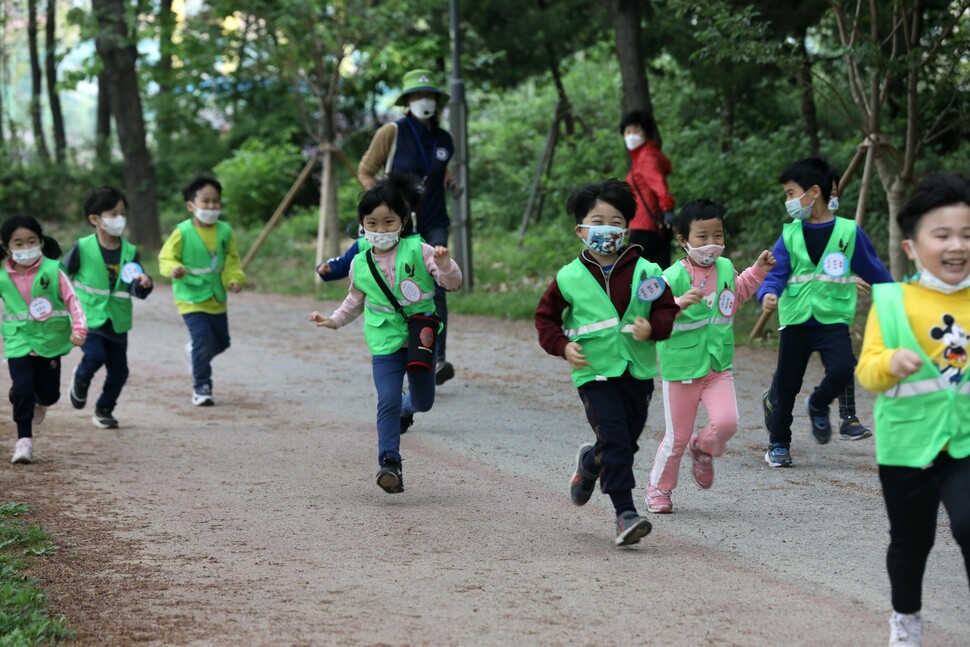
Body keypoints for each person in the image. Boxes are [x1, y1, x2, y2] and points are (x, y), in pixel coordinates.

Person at [855, 173, 970, 647]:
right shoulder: (892, 300)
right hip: (907, 446)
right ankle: (905, 623)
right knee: (911, 542)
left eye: (966, 235)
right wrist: (890, 363)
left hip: (964, 443)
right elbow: (867, 371)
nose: (957, 246)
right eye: (942, 235)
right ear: (911, 246)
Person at [535, 178, 679, 546]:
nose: (607, 230)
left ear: (627, 227)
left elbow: (666, 309)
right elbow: (546, 319)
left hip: (637, 370)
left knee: (624, 443)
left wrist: (655, 329)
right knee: (615, 439)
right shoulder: (568, 276)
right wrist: (563, 346)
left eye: (615, 221)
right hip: (593, 372)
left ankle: (589, 465)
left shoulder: (647, 270)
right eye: (598, 221)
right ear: (581, 229)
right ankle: (624, 514)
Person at [310, 173, 461, 494]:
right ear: (362, 224)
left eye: (389, 222)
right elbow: (354, 299)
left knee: (423, 401)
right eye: (373, 223)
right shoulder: (360, 260)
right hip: (384, 344)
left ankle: (410, 410)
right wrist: (333, 320)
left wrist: (446, 264)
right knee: (387, 400)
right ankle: (389, 462)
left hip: (420, 337)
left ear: (403, 222)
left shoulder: (419, 250)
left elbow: (452, 283)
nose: (381, 230)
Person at [757, 157, 893, 467]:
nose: (788, 201)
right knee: (787, 384)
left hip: (832, 318)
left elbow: (874, 270)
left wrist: (898, 297)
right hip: (795, 320)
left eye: (791, 193)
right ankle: (778, 443)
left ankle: (818, 404)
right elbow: (776, 274)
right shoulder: (789, 234)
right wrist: (767, 293)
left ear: (814, 192)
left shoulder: (848, 232)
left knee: (844, 369)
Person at [646, 200, 775, 513]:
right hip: (682, 367)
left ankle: (702, 448)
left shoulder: (726, 267)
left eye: (717, 236)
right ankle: (659, 489)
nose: (711, 244)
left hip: (718, 364)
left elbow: (737, 293)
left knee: (727, 422)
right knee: (677, 437)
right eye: (702, 237)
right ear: (683, 240)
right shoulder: (672, 275)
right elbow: (650, 309)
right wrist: (678, 302)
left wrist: (758, 271)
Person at [353, 68, 461, 387]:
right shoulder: (392, 132)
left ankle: (435, 357)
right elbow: (366, 171)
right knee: (401, 284)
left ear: (437, 102)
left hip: (435, 219)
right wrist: (382, 207)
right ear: (407, 101)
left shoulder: (444, 139)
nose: (423, 101)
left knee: (437, 283)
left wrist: (450, 182)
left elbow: (436, 170)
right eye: (417, 96)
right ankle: (399, 352)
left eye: (428, 96)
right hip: (400, 226)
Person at [64, 186, 153, 429]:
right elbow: (61, 276)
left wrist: (144, 283)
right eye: (113, 214)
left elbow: (134, 285)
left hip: (118, 320)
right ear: (95, 219)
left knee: (120, 371)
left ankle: (104, 409)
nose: (119, 219)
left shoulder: (130, 251)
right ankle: (80, 380)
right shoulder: (82, 247)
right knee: (94, 356)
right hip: (89, 317)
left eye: (122, 213)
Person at [0, 215, 86, 463]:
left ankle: (36, 399)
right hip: (19, 340)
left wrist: (79, 330)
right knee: (24, 387)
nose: (26, 248)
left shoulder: (52, 268)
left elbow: (73, 300)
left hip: (50, 341)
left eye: (31, 241)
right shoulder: (3, 276)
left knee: (50, 395)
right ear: (8, 247)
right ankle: (23, 441)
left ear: (40, 241)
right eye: (18, 243)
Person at [158, 175, 245, 406]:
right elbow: (166, 257)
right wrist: (173, 269)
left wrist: (234, 278)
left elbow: (231, 261)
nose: (211, 206)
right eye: (205, 201)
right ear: (191, 205)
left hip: (216, 296)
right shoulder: (182, 232)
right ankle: (202, 387)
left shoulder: (225, 231)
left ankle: (195, 353)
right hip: (190, 297)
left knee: (222, 342)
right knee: (202, 338)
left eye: (216, 201)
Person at [620, 110, 676, 267]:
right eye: (628, 131)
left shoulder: (646, 157)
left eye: (636, 130)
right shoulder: (644, 156)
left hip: (644, 225)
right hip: (657, 224)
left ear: (646, 132)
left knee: (629, 270)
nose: (631, 135)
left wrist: (667, 207)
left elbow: (658, 184)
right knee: (661, 273)